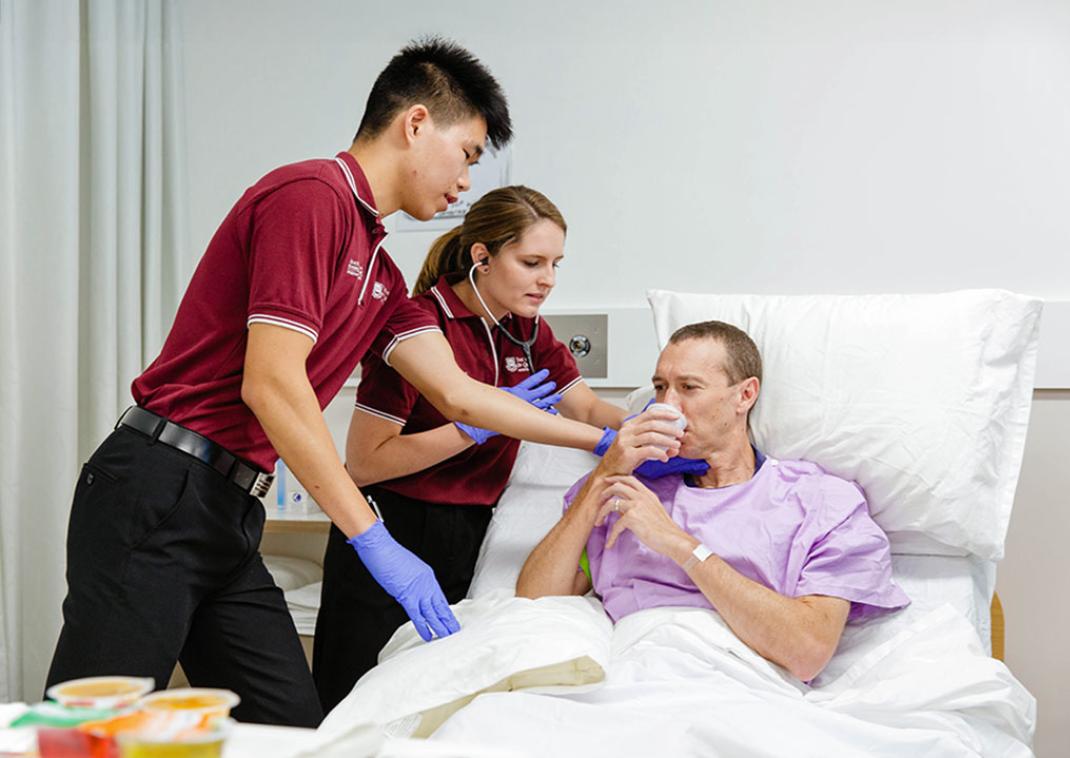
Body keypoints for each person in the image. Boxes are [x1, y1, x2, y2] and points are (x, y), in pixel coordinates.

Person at [44, 38, 665, 728]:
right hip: (161, 485)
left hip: (228, 510)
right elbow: (271, 385)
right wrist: (372, 536)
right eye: (466, 154)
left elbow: (460, 395)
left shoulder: (384, 276)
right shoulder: (310, 197)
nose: (466, 182)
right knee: (87, 732)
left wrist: (617, 437)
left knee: (297, 732)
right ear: (417, 123)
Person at [312, 186, 708, 711]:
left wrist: (655, 431)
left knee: (427, 697)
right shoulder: (416, 326)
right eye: (531, 262)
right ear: (483, 256)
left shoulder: (526, 332)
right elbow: (366, 463)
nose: (547, 279)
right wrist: (473, 428)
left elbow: (587, 409)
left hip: (471, 530)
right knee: (351, 696)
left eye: (555, 264)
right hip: (393, 524)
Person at [517, 320, 910, 682]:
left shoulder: (820, 503)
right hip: (630, 678)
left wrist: (678, 544)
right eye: (659, 388)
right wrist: (605, 473)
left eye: (688, 387)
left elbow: (807, 651)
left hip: (737, 688)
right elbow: (533, 604)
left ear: (745, 394)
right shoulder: (624, 489)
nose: (666, 406)